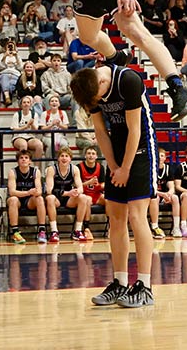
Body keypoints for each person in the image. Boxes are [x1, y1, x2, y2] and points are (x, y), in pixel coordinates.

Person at [70, 60, 159, 308]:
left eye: (98, 99)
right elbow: (100, 131)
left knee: (137, 216)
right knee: (115, 216)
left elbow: (135, 130)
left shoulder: (128, 81)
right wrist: (113, 166)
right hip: (117, 151)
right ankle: (120, 282)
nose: (96, 104)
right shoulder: (87, 88)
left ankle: (145, 285)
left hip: (141, 149)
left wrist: (127, 168)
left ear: (102, 82)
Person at [44, 147, 92, 243]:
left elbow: (81, 188)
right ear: (58, 158)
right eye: (62, 156)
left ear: (70, 159)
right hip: (56, 199)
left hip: (69, 199)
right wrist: (67, 193)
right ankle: (54, 231)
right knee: (49, 198)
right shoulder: (51, 169)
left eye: (67, 156)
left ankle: (77, 230)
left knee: (83, 197)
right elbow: (49, 190)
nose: (64, 158)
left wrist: (76, 192)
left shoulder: (74, 169)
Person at [6, 148, 47, 244]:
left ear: (30, 161)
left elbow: (39, 191)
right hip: (18, 200)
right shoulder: (13, 172)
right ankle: (15, 233)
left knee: (40, 199)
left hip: (30, 201)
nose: (24, 159)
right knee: (13, 200)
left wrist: (34, 193)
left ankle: (41, 231)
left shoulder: (35, 171)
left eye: (26, 157)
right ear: (18, 161)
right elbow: (12, 192)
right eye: (21, 158)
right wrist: (28, 192)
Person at [148, 147, 181, 238]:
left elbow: (171, 185)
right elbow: (149, 187)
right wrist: (162, 194)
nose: (160, 158)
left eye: (162, 156)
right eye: (158, 156)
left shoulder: (168, 168)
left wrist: (169, 193)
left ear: (165, 158)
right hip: (154, 194)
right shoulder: (150, 169)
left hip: (164, 194)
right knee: (155, 198)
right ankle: (155, 226)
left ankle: (176, 227)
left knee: (175, 197)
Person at [78, 145, 105, 238]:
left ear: (96, 156)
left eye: (93, 154)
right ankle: (86, 227)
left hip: (96, 194)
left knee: (108, 199)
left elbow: (103, 184)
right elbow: (76, 185)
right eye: (88, 153)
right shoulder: (79, 167)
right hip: (85, 195)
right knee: (87, 200)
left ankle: (111, 227)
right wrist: (89, 182)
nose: (91, 156)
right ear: (85, 155)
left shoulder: (100, 167)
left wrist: (100, 185)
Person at [0, 40, 23, 106]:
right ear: (6, 47)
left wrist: (16, 57)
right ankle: (7, 98)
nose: (10, 47)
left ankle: (6, 98)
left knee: (10, 84)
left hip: (15, 75)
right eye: (9, 46)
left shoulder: (18, 57)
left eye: (12, 46)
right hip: (3, 75)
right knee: (5, 78)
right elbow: (0, 67)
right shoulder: (1, 56)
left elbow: (20, 68)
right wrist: (4, 56)